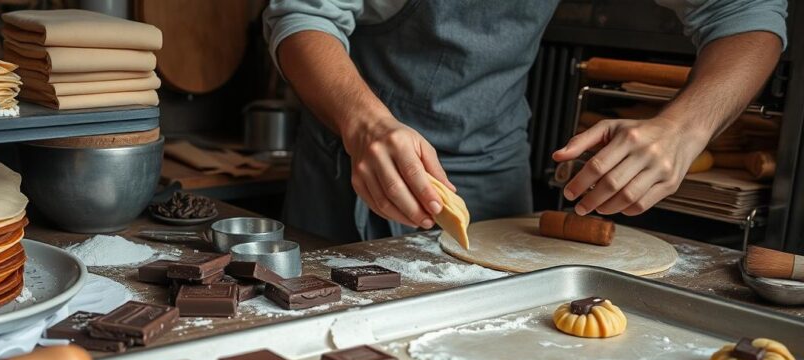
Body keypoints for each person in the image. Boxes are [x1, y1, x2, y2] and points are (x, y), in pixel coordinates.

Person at [263, 1, 787, 243]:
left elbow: (746, 14)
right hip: (353, 170)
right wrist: (365, 125)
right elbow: (304, 16)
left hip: (495, 172)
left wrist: (684, 129)